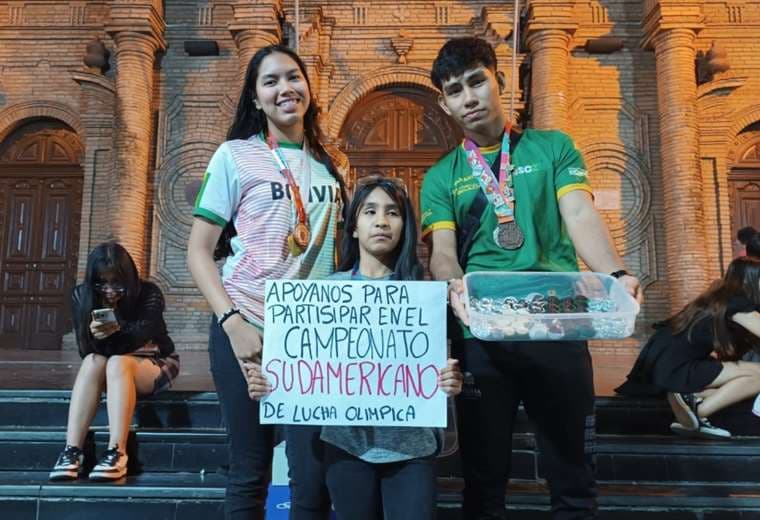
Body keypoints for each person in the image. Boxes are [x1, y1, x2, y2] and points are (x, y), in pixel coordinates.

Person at [420, 37, 643, 520]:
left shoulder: (552, 148)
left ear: (499, 80)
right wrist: (454, 286)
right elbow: (441, 253)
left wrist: (615, 271)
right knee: (482, 479)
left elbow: (580, 213)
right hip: (484, 330)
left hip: (556, 320)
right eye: (455, 90)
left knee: (573, 477)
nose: (470, 97)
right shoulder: (441, 176)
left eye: (478, 81)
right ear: (444, 101)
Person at [187, 43, 347, 520]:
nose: (285, 88)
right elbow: (198, 250)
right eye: (271, 81)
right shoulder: (235, 156)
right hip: (248, 322)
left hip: (311, 333)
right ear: (255, 98)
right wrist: (232, 320)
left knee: (311, 477)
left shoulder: (330, 161)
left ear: (308, 88)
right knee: (250, 469)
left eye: (293, 77)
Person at [247, 175, 464, 519]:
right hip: (345, 447)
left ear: (404, 226)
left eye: (393, 213)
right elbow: (303, 370)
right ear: (352, 227)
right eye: (370, 212)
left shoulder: (425, 297)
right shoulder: (324, 294)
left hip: (413, 450)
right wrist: (270, 383)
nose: (381, 221)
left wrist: (450, 381)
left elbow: (439, 370)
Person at [49, 242, 179, 482]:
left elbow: (139, 337)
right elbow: (84, 350)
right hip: (109, 363)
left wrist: (115, 331)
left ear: (128, 277)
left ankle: (117, 452)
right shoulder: (82, 295)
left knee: (118, 362)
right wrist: (93, 335)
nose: (109, 290)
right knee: (91, 361)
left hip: (155, 361)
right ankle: (71, 451)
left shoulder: (148, 294)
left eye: (116, 283)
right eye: (101, 283)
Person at [618, 256, 760, 439]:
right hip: (675, 365)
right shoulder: (738, 304)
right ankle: (698, 412)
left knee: (740, 381)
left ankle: (691, 400)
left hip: (660, 364)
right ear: (751, 280)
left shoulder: (720, 299)